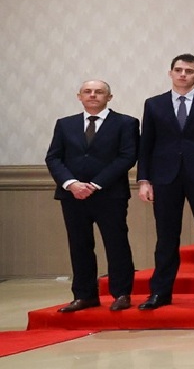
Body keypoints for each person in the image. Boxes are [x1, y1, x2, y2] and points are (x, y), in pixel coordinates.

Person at [137, 53, 194, 309]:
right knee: (166, 236)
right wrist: (144, 179)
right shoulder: (154, 104)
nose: (182, 74)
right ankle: (160, 292)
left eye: (188, 71)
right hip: (165, 176)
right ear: (170, 73)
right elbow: (146, 145)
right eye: (178, 70)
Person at [47, 80, 138, 313]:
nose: (93, 95)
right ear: (79, 96)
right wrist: (71, 184)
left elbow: (126, 157)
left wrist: (96, 184)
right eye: (88, 92)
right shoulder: (64, 124)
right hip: (72, 196)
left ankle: (121, 294)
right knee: (79, 245)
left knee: (116, 244)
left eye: (99, 92)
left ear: (110, 97)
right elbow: (54, 158)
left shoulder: (126, 123)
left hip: (110, 195)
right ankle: (84, 295)